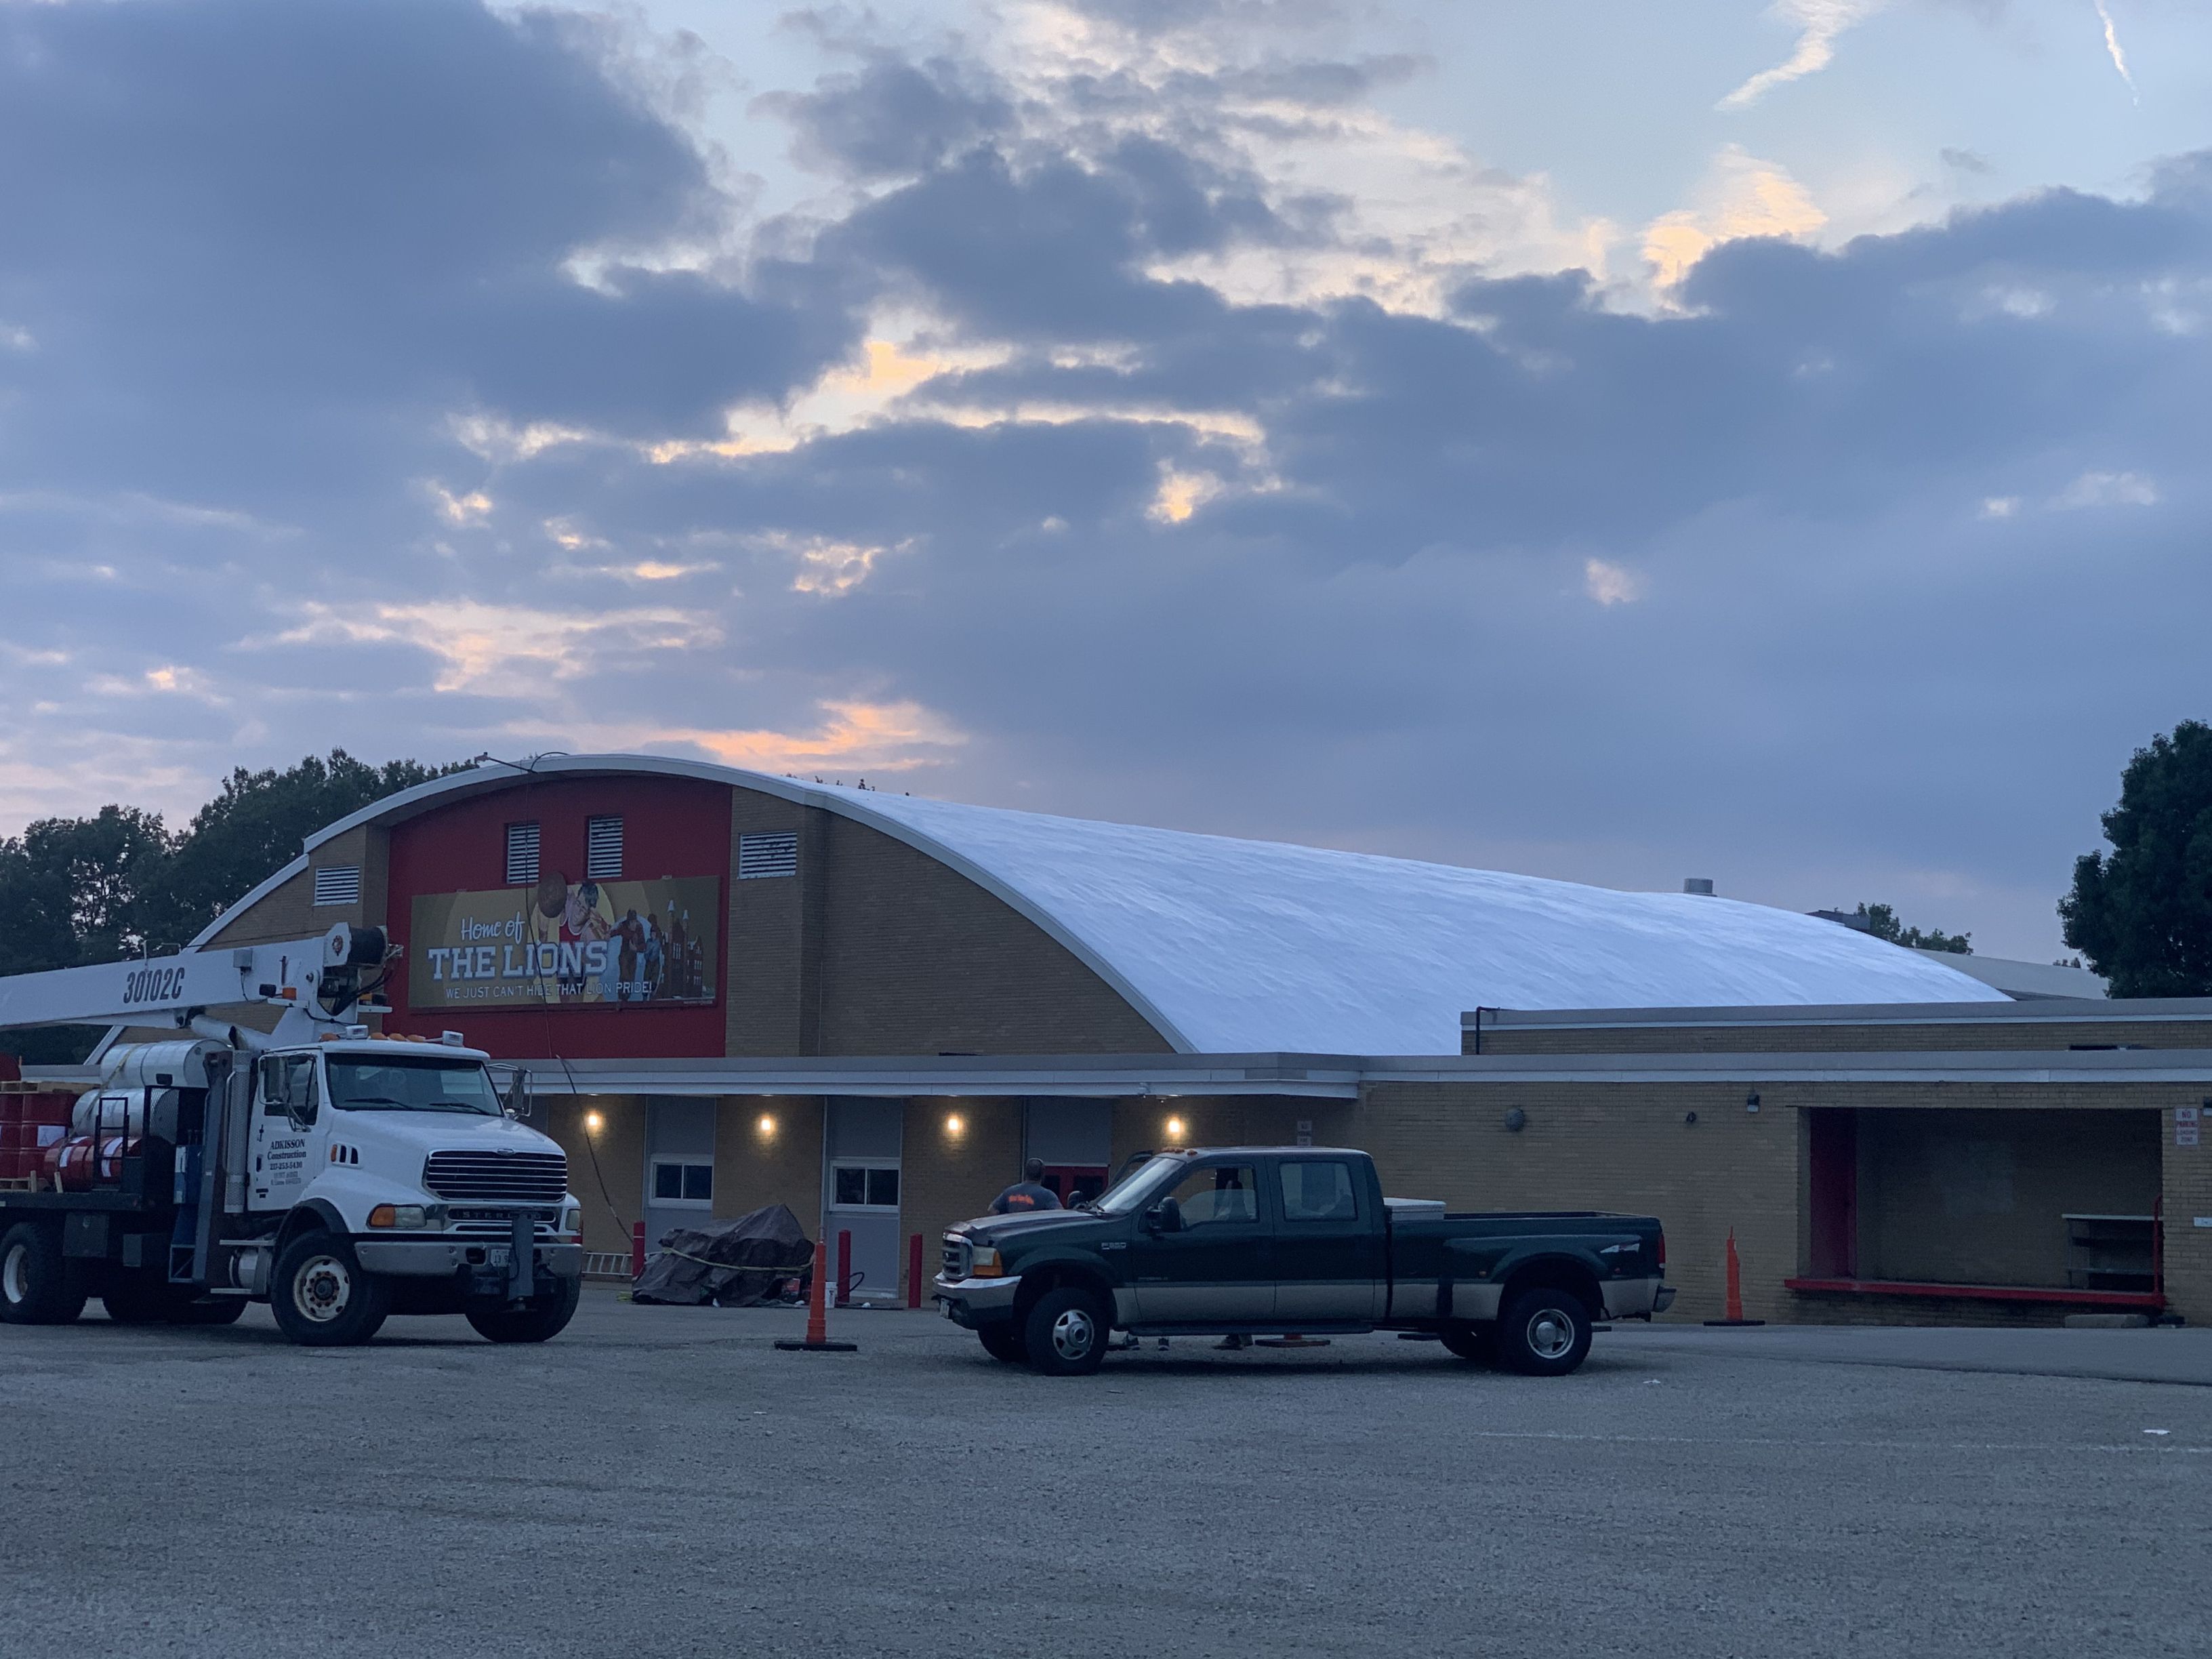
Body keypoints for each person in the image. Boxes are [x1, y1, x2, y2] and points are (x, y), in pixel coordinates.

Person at [990, 1158, 1061, 1214]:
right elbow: (1060, 1214)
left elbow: (992, 1210)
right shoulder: (1047, 1195)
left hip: (1013, 1231)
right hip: (1033, 1231)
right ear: (1043, 1175)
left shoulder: (1010, 1192)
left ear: (1025, 1173)